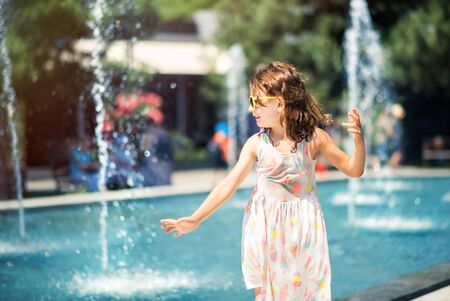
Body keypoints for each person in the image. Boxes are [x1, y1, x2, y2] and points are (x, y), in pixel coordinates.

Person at [160, 61, 365, 301]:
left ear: (280, 103)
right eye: (251, 102)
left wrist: (359, 142)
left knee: (308, 291)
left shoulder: (314, 138)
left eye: (257, 102)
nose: (252, 109)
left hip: (304, 225)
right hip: (266, 226)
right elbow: (228, 184)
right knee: (265, 293)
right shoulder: (256, 144)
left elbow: (353, 169)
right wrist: (196, 218)